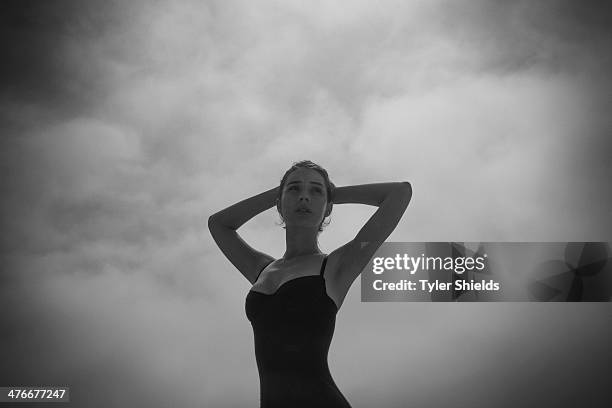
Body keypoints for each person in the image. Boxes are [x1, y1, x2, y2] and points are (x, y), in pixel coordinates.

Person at [208, 160, 412, 407]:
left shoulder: (337, 266)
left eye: (315, 191)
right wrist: (280, 193)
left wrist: (331, 195)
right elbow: (218, 224)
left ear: (327, 209)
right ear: (280, 204)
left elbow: (399, 193)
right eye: (294, 189)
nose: (304, 197)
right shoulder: (262, 269)